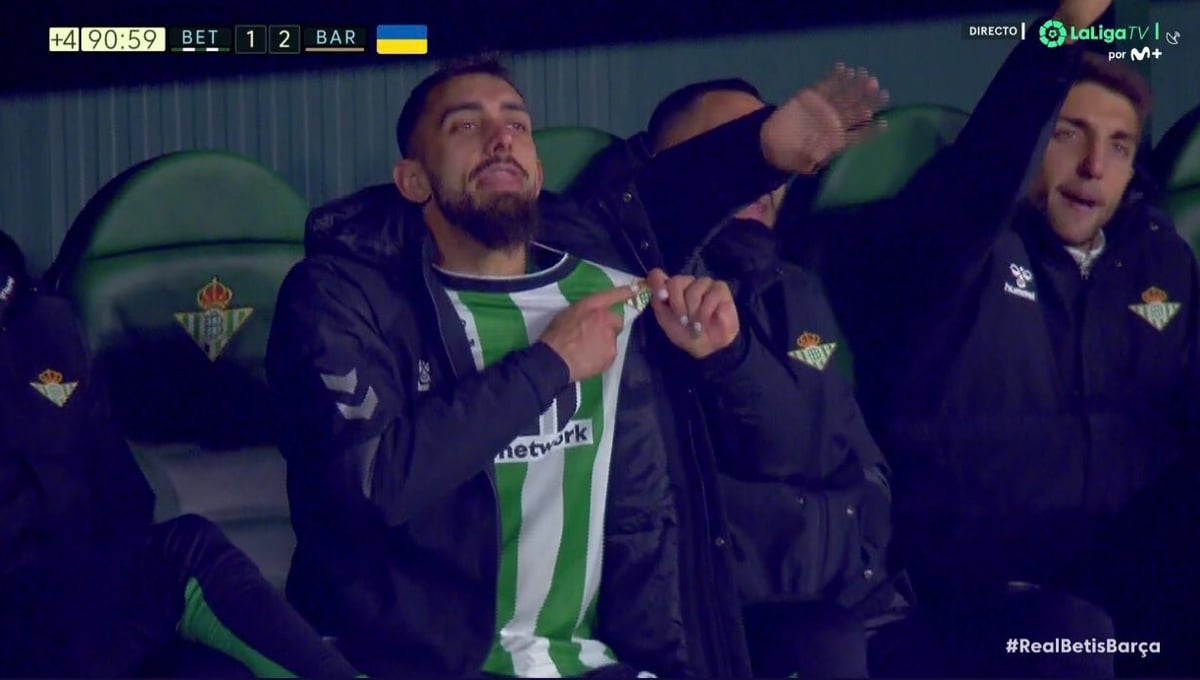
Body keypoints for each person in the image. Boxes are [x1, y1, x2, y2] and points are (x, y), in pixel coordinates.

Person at [268, 54, 889, 678]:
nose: (500, 138)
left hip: (600, 664)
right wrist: (548, 365)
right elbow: (371, 485)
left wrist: (763, 150)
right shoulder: (341, 295)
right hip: (426, 665)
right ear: (413, 180)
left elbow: (660, 201)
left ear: (537, 171)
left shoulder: (606, 275)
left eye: (517, 124)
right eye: (466, 126)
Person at [809, 0, 1188, 673]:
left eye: (1119, 146)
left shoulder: (1159, 257)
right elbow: (981, 175)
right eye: (1069, 134)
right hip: (978, 590)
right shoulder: (959, 245)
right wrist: (1063, 29)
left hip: (1126, 571)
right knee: (1072, 634)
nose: (1094, 166)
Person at [569, 76, 901, 679]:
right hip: (733, 621)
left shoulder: (796, 286)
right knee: (822, 641)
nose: (768, 175)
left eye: (784, 153)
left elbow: (852, 451)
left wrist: (866, 547)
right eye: (749, 146)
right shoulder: (624, 278)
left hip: (859, 595)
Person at [0, 229, 358, 678]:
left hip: (90, 599)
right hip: (21, 624)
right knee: (184, 552)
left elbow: (117, 476)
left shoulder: (41, 323)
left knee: (218, 670)